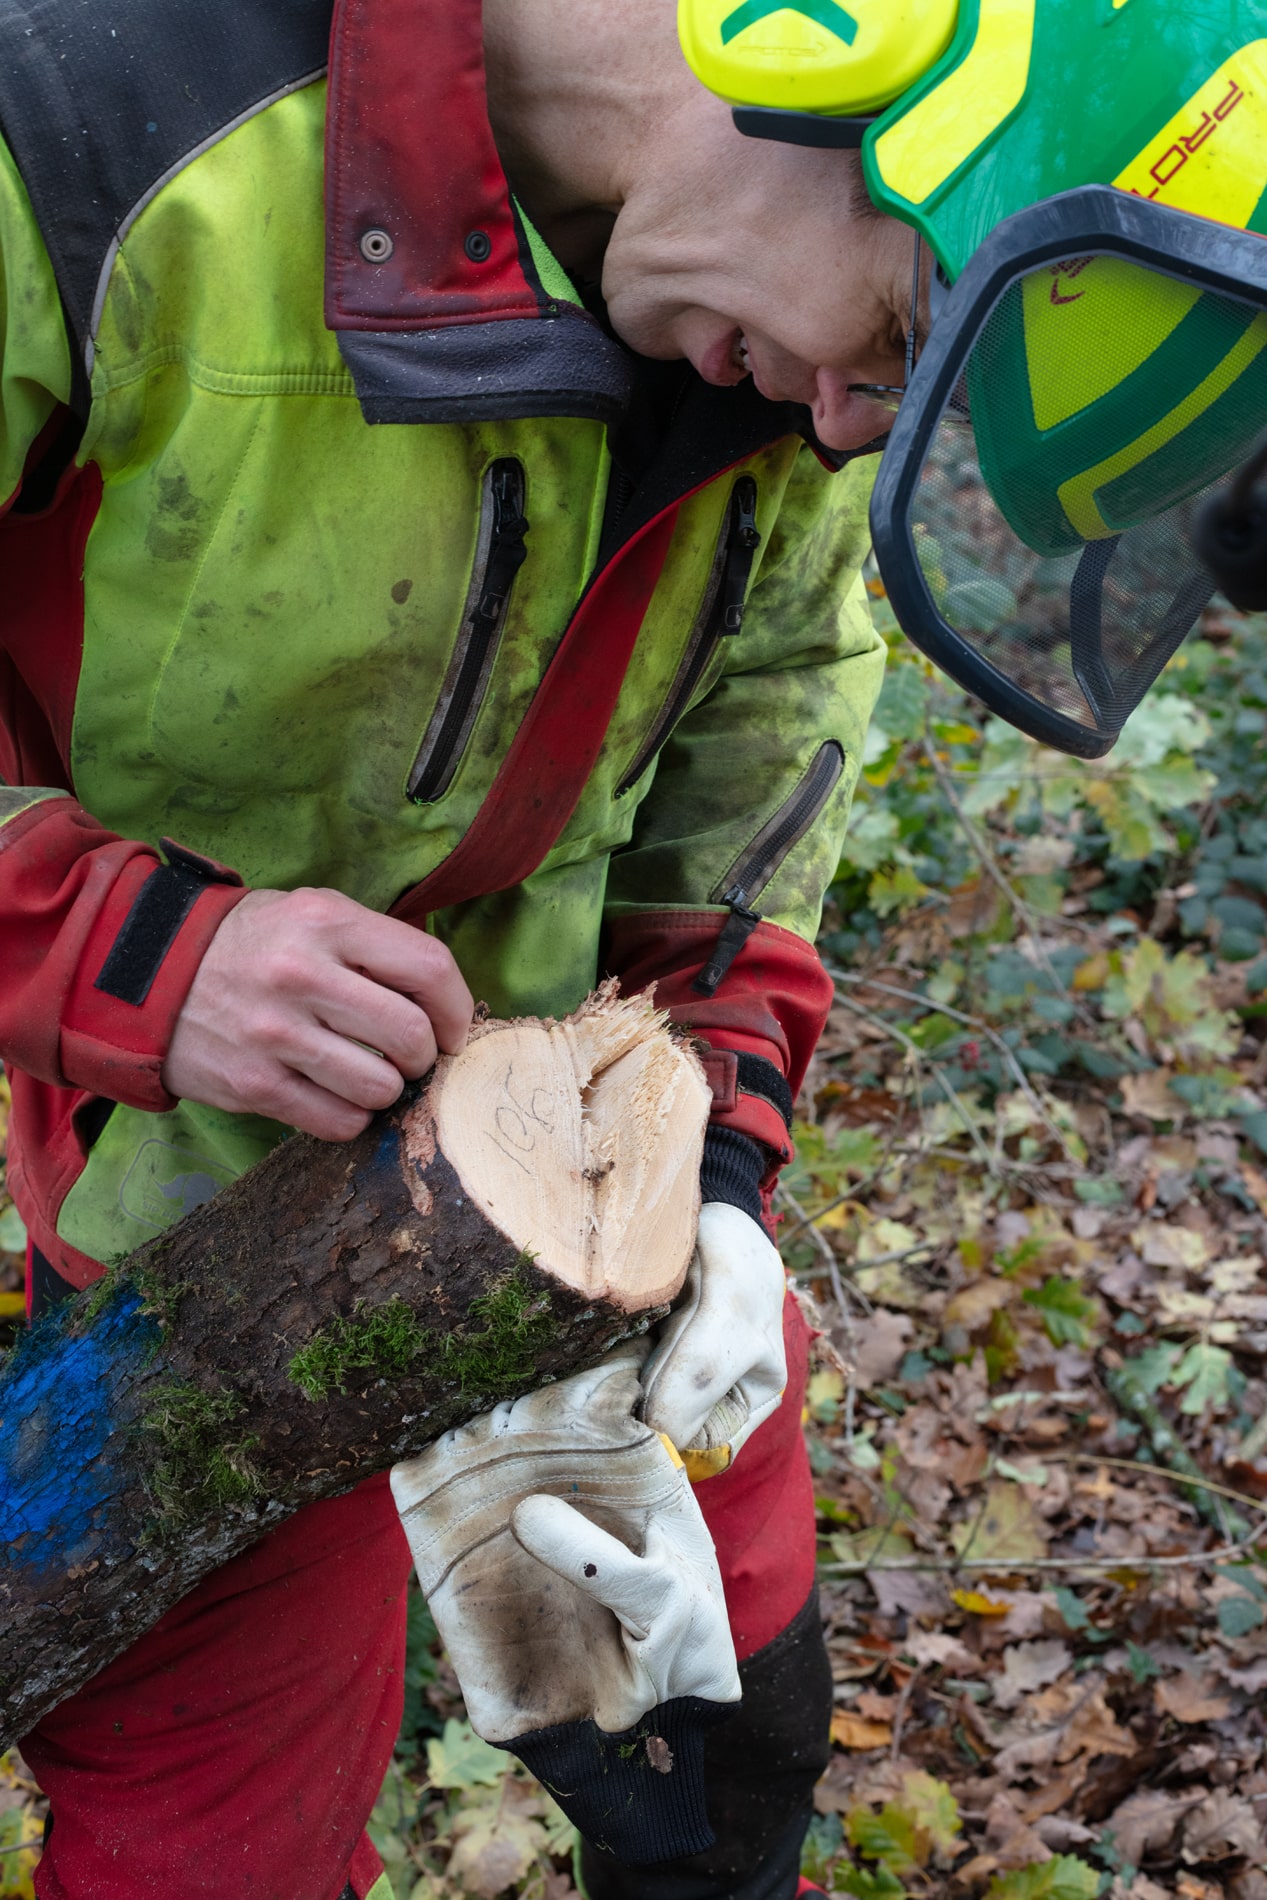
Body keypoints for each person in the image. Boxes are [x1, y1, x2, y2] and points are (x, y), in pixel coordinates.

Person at [4, 0, 1266, 1893]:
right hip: (146, 1181)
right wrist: (123, 951)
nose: (842, 424)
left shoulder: (763, 367)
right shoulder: (99, 119)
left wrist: (724, 1166)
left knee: (734, 1733)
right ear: (832, 52)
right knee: (215, 1837)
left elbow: (767, 735)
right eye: (896, 341)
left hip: (559, 1169)